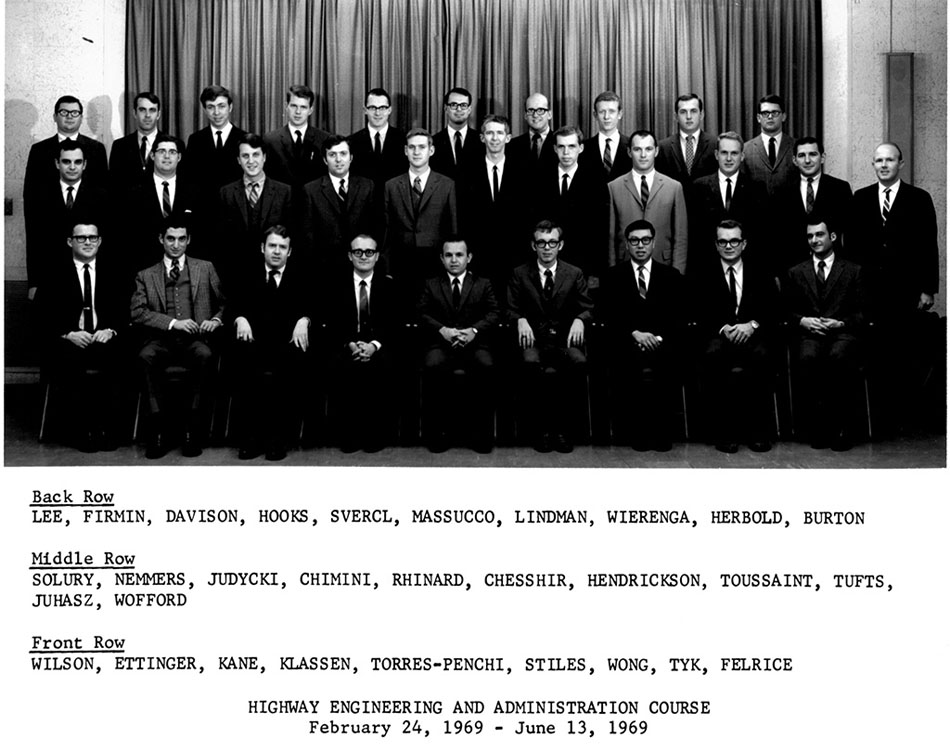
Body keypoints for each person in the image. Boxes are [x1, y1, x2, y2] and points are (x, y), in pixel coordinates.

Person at [848, 142, 940, 433]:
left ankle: (905, 420)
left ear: (901, 163)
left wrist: (928, 289)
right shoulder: (860, 198)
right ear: (873, 165)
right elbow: (851, 248)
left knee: (905, 353)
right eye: (879, 160)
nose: (884, 165)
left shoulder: (919, 198)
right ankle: (879, 419)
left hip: (906, 290)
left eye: (890, 160)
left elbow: (929, 245)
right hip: (871, 293)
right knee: (876, 353)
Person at [130, 218, 226, 459]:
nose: (176, 244)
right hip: (160, 340)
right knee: (145, 356)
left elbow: (224, 304)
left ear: (189, 240)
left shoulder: (205, 268)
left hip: (195, 340)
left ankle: (191, 430)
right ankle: (158, 429)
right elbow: (138, 312)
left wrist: (215, 320)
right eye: (170, 238)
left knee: (205, 355)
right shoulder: (146, 274)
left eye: (181, 239)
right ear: (161, 239)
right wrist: (173, 323)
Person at [34, 220, 127, 452]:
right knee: (71, 361)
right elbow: (40, 316)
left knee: (120, 357)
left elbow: (125, 310)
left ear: (100, 241)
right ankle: (80, 430)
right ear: (69, 242)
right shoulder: (53, 272)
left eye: (92, 237)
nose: (87, 242)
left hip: (102, 337)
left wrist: (111, 330)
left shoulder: (114, 271)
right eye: (81, 238)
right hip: (68, 340)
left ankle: (106, 429)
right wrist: (67, 334)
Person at [507, 219, 593, 453]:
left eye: (552, 242)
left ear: (560, 245)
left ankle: (564, 431)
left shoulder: (574, 273)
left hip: (564, 340)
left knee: (578, 363)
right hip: (534, 340)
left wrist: (580, 319)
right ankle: (541, 431)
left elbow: (588, 307)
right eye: (541, 243)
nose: (547, 248)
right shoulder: (520, 273)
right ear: (533, 246)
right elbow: (510, 308)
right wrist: (520, 320)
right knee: (530, 363)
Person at [690, 219, 776, 454]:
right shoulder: (702, 272)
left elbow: (774, 309)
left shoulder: (760, 270)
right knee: (713, 355)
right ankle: (725, 432)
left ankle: (758, 432)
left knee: (762, 356)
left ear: (744, 243)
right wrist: (723, 328)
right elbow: (697, 311)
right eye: (723, 241)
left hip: (753, 334)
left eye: (734, 241)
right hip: (720, 335)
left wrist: (753, 325)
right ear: (716, 244)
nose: (729, 246)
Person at [230, 225, 313, 461]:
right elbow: (233, 305)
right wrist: (240, 318)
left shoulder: (302, 274)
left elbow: (314, 305)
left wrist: (304, 320)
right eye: (272, 246)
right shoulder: (247, 272)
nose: (277, 251)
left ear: (290, 252)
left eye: (282, 247)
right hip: (255, 341)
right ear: (262, 248)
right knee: (245, 360)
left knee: (289, 365)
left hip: (287, 342)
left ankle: (277, 438)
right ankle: (251, 437)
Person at [783, 217, 867, 451]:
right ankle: (818, 427)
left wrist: (840, 323)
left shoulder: (853, 270)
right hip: (810, 334)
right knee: (808, 358)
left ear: (832, 237)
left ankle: (842, 428)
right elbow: (785, 311)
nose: (814, 240)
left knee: (838, 357)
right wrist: (803, 321)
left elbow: (863, 312)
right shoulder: (796, 272)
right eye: (810, 236)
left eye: (819, 234)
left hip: (843, 334)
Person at [601, 220, 685, 451]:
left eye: (645, 240)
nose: (640, 245)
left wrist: (656, 339)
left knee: (666, 364)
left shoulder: (671, 276)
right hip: (627, 342)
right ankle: (636, 433)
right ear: (627, 245)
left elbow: (677, 318)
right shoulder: (612, 277)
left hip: (662, 344)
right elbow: (608, 316)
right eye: (635, 241)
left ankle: (661, 433)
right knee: (627, 365)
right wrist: (635, 333)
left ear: (653, 242)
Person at [416, 237, 499, 453]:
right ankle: (438, 434)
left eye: (459, 255)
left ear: (469, 257)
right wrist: (442, 330)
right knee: (433, 366)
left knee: (486, 366)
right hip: (441, 344)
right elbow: (422, 313)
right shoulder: (431, 284)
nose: (454, 260)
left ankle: (481, 434)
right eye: (449, 255)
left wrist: (473, 331)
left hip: (475, 344)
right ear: (442, 259)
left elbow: (494, 313)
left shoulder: (483, 283)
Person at [324, 234, 399, 453]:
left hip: (378, 346)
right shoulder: (337, 285)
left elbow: (393, 325)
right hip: (346, 344)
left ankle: (374, 434)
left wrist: (373, 345)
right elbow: (334, 323)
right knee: (342, 365)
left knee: (383, 365)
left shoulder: (389, 285)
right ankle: (348, 434)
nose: (363, 256)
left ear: (377, 256)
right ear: (350, 256)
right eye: (358, 252)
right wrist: (350, 344)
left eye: (369, 252)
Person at [25, 140, 108, 296]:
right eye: (66, 161)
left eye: (77, 162)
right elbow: (34, 240)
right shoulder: (41, 196)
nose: (72, 167)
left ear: (84, 165)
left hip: (87, 277)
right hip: (50, 276)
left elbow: (105, 240)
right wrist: (34, 283)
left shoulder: (101, 197)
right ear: (57, 163)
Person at [461, 115, 531, 291]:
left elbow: (528, 215)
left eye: (500, 133)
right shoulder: (467, 170)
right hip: (479, 255)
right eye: (490, 133)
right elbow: (463, 215)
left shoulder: (523, 170)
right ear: (482, 137)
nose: (494, 138)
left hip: (514, 254)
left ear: (508, 138)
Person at [382, 128, 458, 287]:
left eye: (422, 147)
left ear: (431, 150)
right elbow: (387, 232)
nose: (416, 152)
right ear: (405, 150)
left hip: (435, 265)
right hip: (401, 265)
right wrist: (387, 268)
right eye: (411, 147)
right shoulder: (392, 186)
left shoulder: (446, 185)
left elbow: (453, 229)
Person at [532, 125, 608, 281]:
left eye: (571, 146)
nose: (566, 153)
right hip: (548, 260)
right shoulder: (540, 178)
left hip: (582, 262)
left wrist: (594, 270)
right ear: (554, 148)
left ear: (581, 148)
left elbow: (600, 228)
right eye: (561, 147)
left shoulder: (595, 181)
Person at [607, 130, 688, 273]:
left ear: (656, 151)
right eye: (637, 149)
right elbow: (611, 237)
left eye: (648, 149)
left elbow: (680, 237)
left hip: (664, 267)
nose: (643, 155)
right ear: (629, 152)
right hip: (624, 267)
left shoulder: (674, 187)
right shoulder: (614, 187)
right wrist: (612, 273)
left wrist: (677, 274)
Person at [216, 133, 294, 280]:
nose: (251, 161)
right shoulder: (226, 193)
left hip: (273, 275)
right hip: (237, 274)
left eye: (256, 155)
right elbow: (222, 239)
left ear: (264, 157)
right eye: (245, 156)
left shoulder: (284, 192)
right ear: (239, 160)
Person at [690, 131, 769, 275]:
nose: (728, 158)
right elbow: (695, 233)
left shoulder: (756, 188)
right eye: (724, 152)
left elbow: (761, 233)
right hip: (708, 268)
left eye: (734, 153)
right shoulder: (699, 187)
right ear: (716, 155)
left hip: (747, 268)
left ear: (742, 156)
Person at [300, 135, 380, 275]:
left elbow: (374, 227)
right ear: (325, 160)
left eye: (343, 154)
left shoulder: (367, 186)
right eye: (332, 155)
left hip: (360, 266)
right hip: (324, 268)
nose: (338, 160)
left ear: (351, 157)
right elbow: (308, 236)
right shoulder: (311, 190)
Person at [23, 95, 108, 225]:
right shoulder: (39, 150)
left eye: (75, 113)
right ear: (55, 117)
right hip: (49, 231)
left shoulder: (97, 149)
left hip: (86, 234)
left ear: (81, 118)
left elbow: (103, 195)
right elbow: (30, 197)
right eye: (64, 112)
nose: (69, 116)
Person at [123, 135, 200, 273]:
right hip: (145, 267)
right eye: (161, 151)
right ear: (152, 156)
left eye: (172, 152)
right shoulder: (133, 193)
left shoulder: (194, 191)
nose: (167, 156)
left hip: (186, 270)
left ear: (179, 157)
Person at [776, 137, 853, 270]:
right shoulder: (782, 192)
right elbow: (777, 236)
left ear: (822, 158)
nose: (807, 160)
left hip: (833, 269)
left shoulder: (840, 189)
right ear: (794, 160)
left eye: (812, 154)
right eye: (801, 155)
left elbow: (851, 232)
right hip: (793, 269)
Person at [184, 85, 248, 211]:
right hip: (204, 211)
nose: (216, 112)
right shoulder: (195, 140)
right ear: (205, 110)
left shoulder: (244, 138)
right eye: (210, 107)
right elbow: (190, 178)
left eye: (221, 106)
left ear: (230, 107)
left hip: (237, 211)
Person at [263, 84, 331, 191]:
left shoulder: (324, 139)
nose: (298, 112)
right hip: (281, 204)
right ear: (286, 106)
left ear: (311, 110)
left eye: (303, 107)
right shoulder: (271, 140)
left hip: (314, 204)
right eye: (294, 106)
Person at [348, 88, 409, 192]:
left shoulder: (404, 140)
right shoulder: (351, 141)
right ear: (365, 110)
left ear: (389, 110)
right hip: (363, 204)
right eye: (372, 108)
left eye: (382, 108)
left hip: (395, 202)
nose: (377, 113)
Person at [741, 94, 797, 201]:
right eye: (765, 113)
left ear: (784, 116)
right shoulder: (745, 149)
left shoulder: (797, 147)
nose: (770, 117)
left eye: (775, 113)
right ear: (758, 118)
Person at [655, 93, 718, 187]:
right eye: (683, 112)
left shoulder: (716, 144)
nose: (688, 116)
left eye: (693, 111)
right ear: (676, 117)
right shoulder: (663, 147)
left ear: (701, 115)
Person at [109, 92, 166, 193]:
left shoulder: (173, 144)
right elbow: (113, 185)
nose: (147, 115)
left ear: (159, 114)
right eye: (142, 110)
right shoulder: (119, 146)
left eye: (152, 110)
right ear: (134, 113)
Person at [429, 87, 482, 184]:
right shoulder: (434, 141)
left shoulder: (481, 140)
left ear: (469, 109)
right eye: (453, 105)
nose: (459, 109)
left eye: (463, 105)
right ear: (446, 108)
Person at [579, 91, 632, 182]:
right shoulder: (584, 148)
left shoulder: (632, 145)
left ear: (620, 114)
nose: (606, 117)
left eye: (611, 111)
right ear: (595, 115)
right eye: (602, 112)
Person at [508, 92, 558, 176]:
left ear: (549, 114)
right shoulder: (513, 145)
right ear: (525, 115)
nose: (535, 115)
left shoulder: (560, 143)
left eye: (540, 110)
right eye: (531, 110)